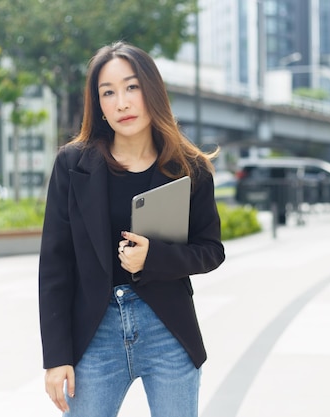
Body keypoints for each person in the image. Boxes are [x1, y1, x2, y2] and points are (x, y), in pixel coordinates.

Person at [38, 41, 225, 417]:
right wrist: (56, 357)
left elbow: (210, 250)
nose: (121, 102)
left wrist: (154, 258)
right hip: (95, 332)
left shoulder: (189, 167)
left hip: (167, 330)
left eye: (131, 87)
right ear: (99, 104)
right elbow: (55, 265)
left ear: (152, 91)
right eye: (108, 92)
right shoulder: (74, 165)